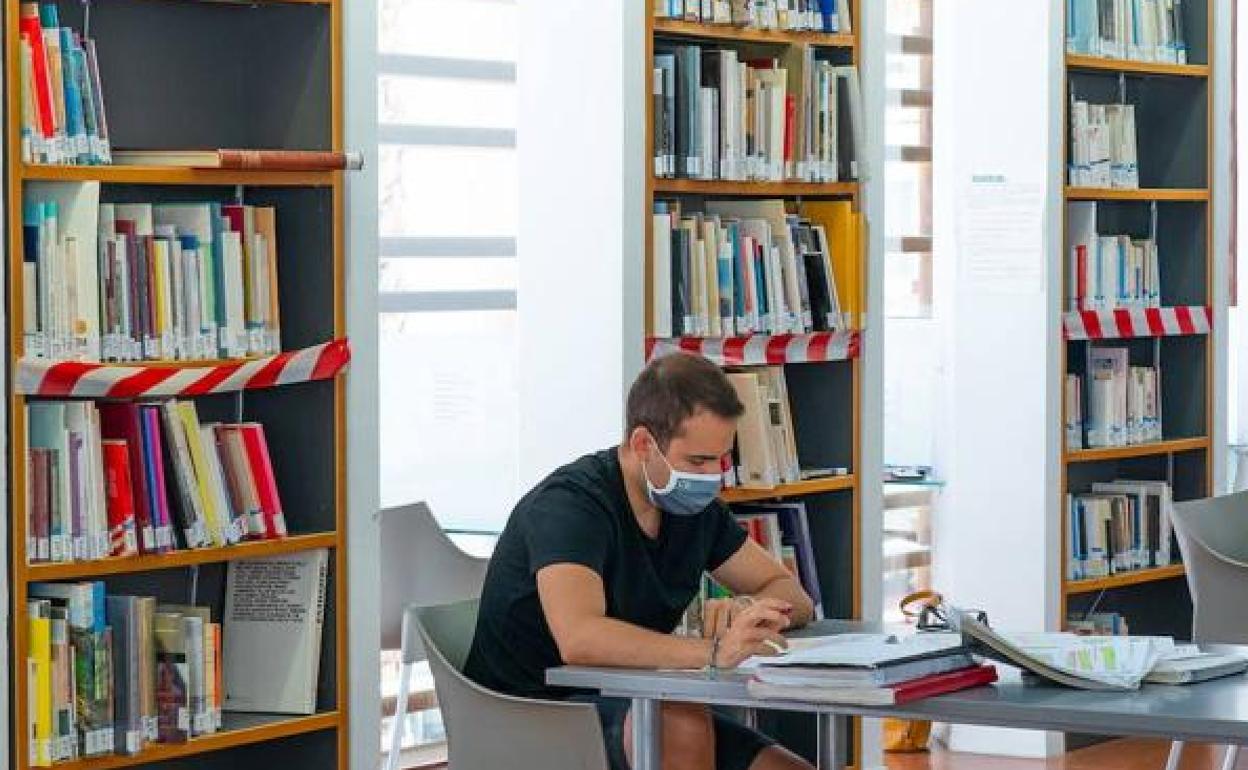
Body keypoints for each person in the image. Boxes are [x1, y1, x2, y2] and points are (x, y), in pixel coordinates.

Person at [465, 353, 816, 770]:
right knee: (682, 729)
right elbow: (580, 638)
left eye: (721, 459)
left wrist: (748, 611)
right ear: (644, 444)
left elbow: (792, 594)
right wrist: (714, 650)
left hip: (633, 699)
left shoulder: (692, 507)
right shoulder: (570, 505)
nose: (712, 477)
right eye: (698, 461)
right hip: (532, 712)